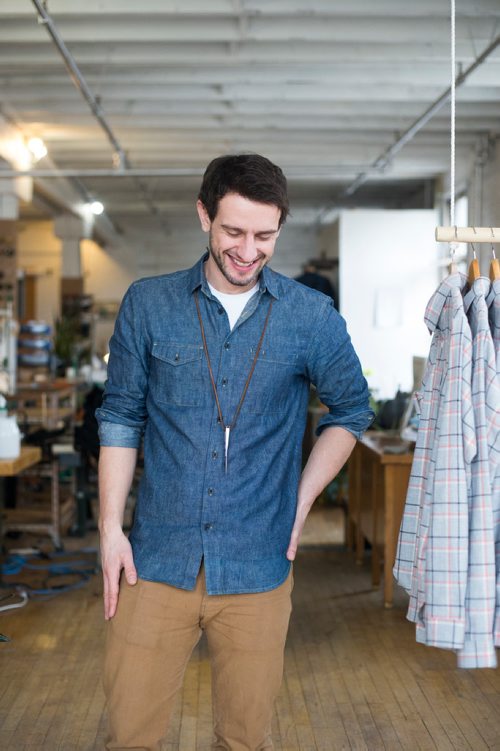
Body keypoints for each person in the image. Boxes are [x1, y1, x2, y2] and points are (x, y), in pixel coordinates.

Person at [96, 153, 373, 751]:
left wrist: (300, 504)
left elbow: (352, 411)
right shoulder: (149, 304)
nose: (249, 250)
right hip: (154, 563)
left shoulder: (311, 316)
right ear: (204, 216)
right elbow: (120, 415)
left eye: (265, 235)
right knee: (130, 738)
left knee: (244, 741)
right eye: (234, 231)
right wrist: (109, 529)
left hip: (258, 565)